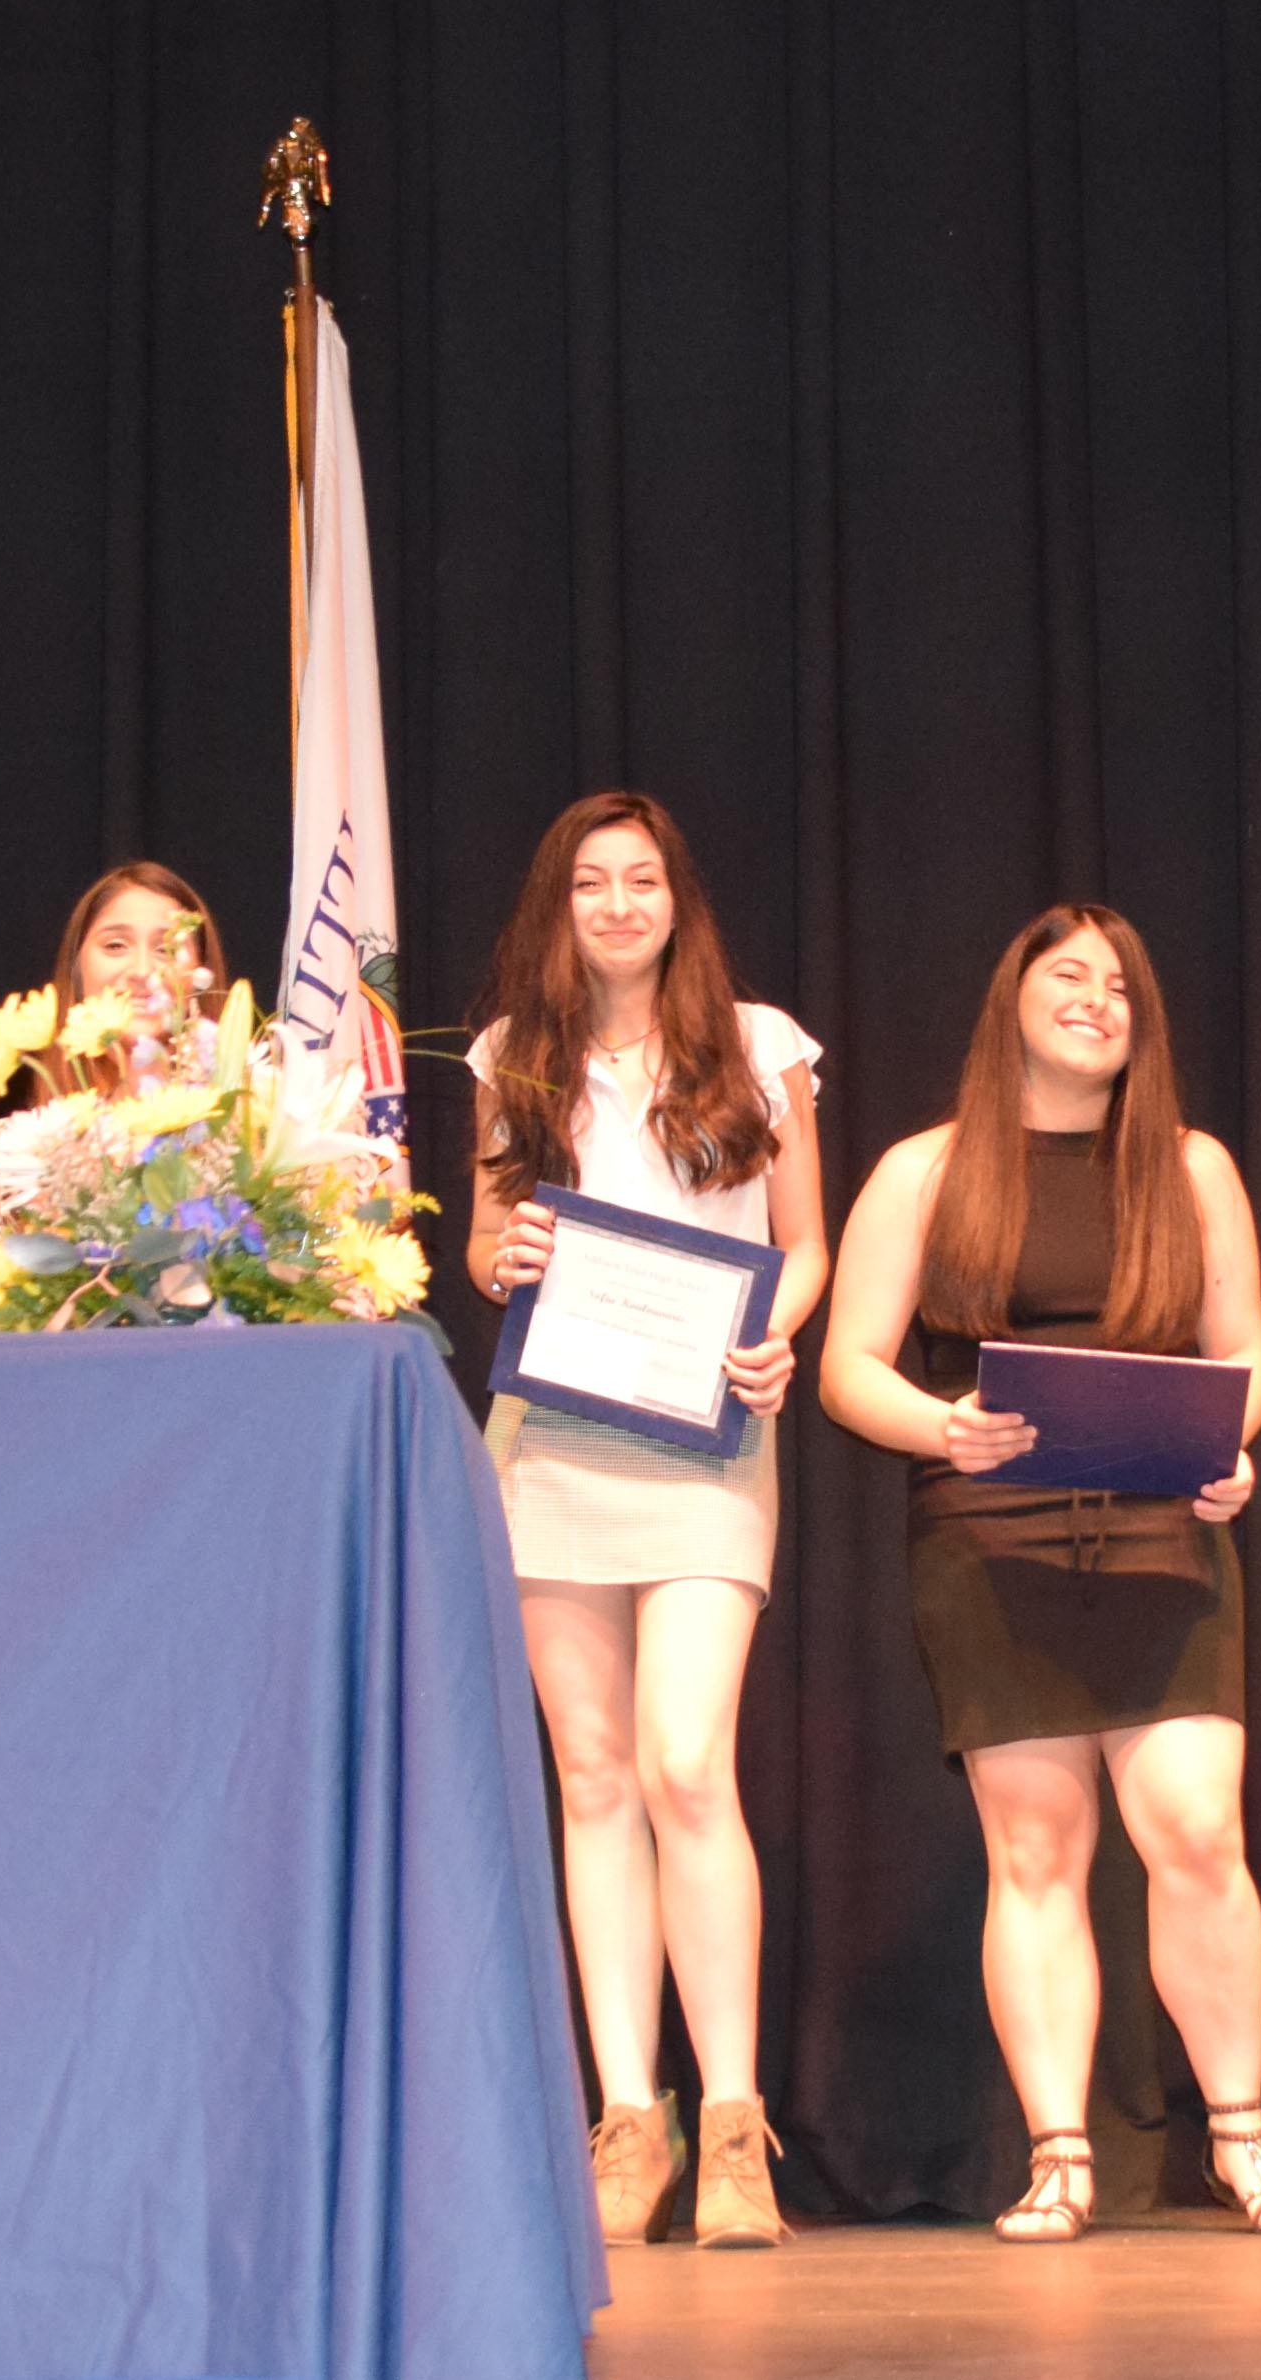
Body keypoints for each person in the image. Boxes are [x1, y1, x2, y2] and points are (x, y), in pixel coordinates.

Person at [820, 902, 1261, 2243]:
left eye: (1121, 985)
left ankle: (1241, 2137)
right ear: (1015, 996)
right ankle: (1060, 2154)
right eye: (1069, 975)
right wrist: (943, 1426)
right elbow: (847, 1366)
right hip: (991, 1532)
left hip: (1163, 1522)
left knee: (1198, 1831)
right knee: (1036, 1848)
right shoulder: (926, 1168)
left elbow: (1244, 1352)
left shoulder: (1191, 1166)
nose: (1097, 999)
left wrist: (1229, 1449)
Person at [462, 794, 824, 2250]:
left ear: (679, 900)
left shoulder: (758, 1043)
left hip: (705, 1438)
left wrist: (776, 1337)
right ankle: (631, 2119)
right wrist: (504, 1251)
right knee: (595, 1773)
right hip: (553, 1441)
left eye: (643, 880)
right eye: (591, 883)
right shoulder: (513, 1054)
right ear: (559, 906)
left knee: (685, 1761)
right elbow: (486, 1243)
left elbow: (804, 1243)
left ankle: (734, 2123)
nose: (618, 903)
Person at [0, 862, 226, 1251]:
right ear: (77, 968)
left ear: (200, 972)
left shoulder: (249, 1133)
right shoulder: (10, 1155)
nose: (142, 970)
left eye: (166, 947)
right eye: (115, 945)